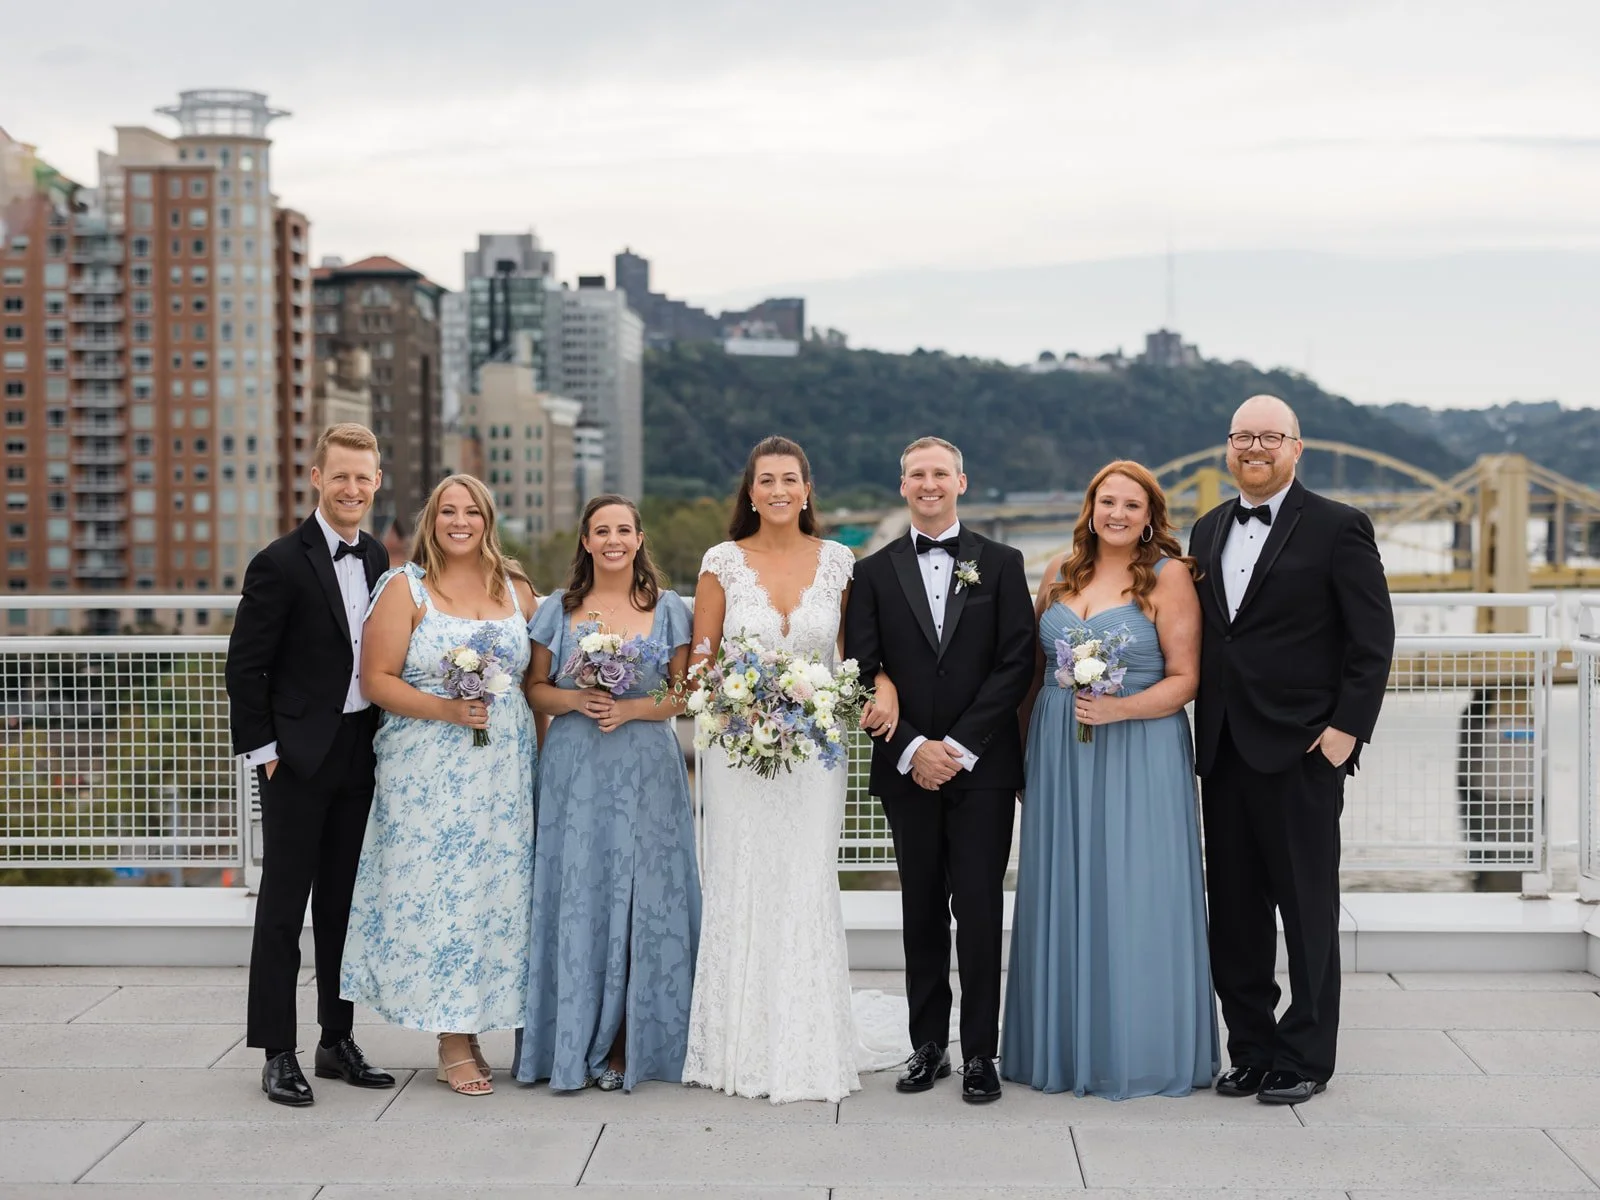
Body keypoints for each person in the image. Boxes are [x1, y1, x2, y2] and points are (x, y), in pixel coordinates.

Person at [682, 436, 904, 1103]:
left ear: (808, 490)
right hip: (737, 751)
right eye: (765, 480)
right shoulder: (721, 563)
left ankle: (810, 1040)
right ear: (749, 493)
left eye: (790, 479)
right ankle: (737, 1043)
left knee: (806, 879)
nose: (778, 490)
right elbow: (700, 659)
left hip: (812, 753)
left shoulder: (840, 562)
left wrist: (879, 684)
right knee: (742, 877)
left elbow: (854, 656)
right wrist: (732, 700)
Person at [1189, 394, 1394, 1106]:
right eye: (1242, 435)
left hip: (1304, 752)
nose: (1254, 447)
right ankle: (1249, 1047)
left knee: (1307, 913)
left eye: (1269, 436)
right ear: (1228, 446)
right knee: (1236, 915)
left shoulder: (1339, 527)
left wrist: (1343, 736)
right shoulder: (1208, 526)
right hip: (1223, 750)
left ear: (1296, 447)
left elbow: (1372, 642)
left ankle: (1306, 1053)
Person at [1002, 461, 1219, 1098]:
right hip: (1058, 751)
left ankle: (1140, 1046)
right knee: (1064, 885)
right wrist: (1021, 755)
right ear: (1090, 508)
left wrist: (1119, 708)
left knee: (1135, 888)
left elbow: (1186, 679)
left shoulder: (1171, 577)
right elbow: (1033, 677)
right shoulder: (1056, 575)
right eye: (1107, 502)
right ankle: (1064, 1048)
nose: (1117, 514)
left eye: (1131, 504)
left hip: (1140, 749)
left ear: (1150, 515)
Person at [843, 436, 1035, 1104]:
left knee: (979, 910)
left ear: (962, 481)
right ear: (903, 486)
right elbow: (863, 669)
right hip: (906, 768)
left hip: (981, 768)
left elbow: (1017, 662)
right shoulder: (870, 573)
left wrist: (957, 746)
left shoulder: (1004, 564)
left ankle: (981, 1051)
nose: (929, 484)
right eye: (917, 474)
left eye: (940, 474)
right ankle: (928, 1046)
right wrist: (912, 749)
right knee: (920, 908)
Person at [339, 474, 539, 1096]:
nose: (460, 522)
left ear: (487, 519)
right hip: (427, 772)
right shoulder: (405, 588)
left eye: (471, 511)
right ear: (432, 519)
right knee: (442, 897)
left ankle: (477, 1023)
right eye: (448, 511)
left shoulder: (518, 589)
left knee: (497, 897)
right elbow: (375, 679)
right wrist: (446, 710)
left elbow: (537, 681)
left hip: (505, 769)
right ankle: (451, 1039)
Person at [226, 422, 397, 1107]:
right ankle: (277, 1052)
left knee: (343, 908)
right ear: (317, 478)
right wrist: (266, 754)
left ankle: (336, 1040)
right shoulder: (279, 561)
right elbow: (246, 669)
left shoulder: (381, 557)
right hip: (296, 761)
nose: (353, 488)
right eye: (342, 476)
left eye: (365, 476)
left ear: (377, 481)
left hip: (361, 752)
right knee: (281, 909)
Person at [515, 494, 701, 1093]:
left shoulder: (670, 609)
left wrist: (630, 710)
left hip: (648, 767)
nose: (614, 539)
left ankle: (633, 1042)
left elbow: (684, 695)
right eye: (602, 530)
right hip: (577, 771)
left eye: (624, 529)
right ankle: (572, 1038)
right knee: (582, 896)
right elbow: (535, 689)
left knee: (646, 898)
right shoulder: (556, 610)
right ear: (586, 541)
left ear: (640, 538)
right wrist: (576, 699)